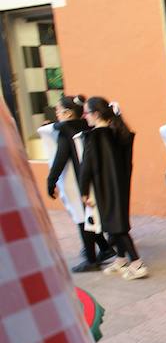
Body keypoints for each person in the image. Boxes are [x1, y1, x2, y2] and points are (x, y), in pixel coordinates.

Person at [79, 97, 148, 280]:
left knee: (117, 226)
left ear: (96, 114)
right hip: (120, 185)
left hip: (104, 187)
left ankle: (137, 263)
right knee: (115, 223)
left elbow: (86, 167)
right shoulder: (119, 133)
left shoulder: (93, 136)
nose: (84, 116)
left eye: (86, 113)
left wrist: (83, 191)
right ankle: (120, 259)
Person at [45, 94, 114, 272]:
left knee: (82, 218)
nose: (57, 114)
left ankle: (91, 260)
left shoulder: (65, 131)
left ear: (68, 114)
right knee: (90, 214)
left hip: (78, 180)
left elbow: (60, 159)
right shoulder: (87, 125)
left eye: (58, 110)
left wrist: (51, 181)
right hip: (95, 177)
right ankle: (105, 248)